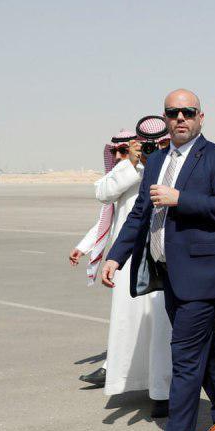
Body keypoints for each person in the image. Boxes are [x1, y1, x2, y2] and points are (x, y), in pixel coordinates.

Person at [102, 90, 215, 431]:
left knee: (184, 355)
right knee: (204, 350)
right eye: (173, 112)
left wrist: (181, 198)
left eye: (188, 112)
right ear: (165, 118)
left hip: (204, 274)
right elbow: (140, 214)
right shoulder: (157, 160)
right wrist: (115, 256)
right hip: (169, 272)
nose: (180, 117)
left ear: (200, 116)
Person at [72, 120, 174, 417]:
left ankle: (163, 392)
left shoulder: (170, 165)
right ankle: (131, 379)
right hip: (129, 260)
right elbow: (104, 196)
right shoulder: (127, 169)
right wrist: (131, 162)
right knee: (128, 325)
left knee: (160, 326)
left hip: (161, 257)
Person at [71, 128, 136, 388]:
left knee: (132, 318)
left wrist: (133, 163)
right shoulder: (123, 173)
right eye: (115, 151)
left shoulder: (140, 172)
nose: (118, 156)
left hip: (139, 256)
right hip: (120, 258)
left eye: (124, 150)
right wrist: (84, 246)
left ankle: (117, 368)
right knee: (123, 317)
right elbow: (108, 216)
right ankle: (114, 366)